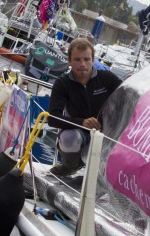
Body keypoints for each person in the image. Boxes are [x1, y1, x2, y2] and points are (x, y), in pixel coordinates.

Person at [48, 38, 122, 176]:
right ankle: (71, 166)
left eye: (86, 59)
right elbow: (52, 118)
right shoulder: (62, 83)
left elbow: (127, 94)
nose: (82, 64)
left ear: (93, 60)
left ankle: (104, 176)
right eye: (77, 60)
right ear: (69, 61)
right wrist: (82, 123)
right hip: (79, 134)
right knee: (68, 139)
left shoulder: (107, 78)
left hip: (107, 133)